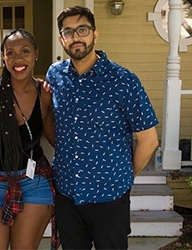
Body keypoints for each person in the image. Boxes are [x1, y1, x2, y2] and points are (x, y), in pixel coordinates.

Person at [46, 6, 159, 250]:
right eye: (68, 32)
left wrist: (125, 177)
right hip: (67, 194)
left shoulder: (123, 80)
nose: (76, 37)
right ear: (61, 39)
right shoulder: (55, 75)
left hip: (109, 196)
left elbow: (149, 140)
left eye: (82, 29)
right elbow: (52, 119)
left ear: (95, 34)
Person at [0, 28, 58, 250]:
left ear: (36, 54)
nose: (18, 59)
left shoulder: (45, 93)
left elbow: (55, 140)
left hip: (34, 182)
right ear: (3, 56)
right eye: (10, 53)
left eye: (25, 52)